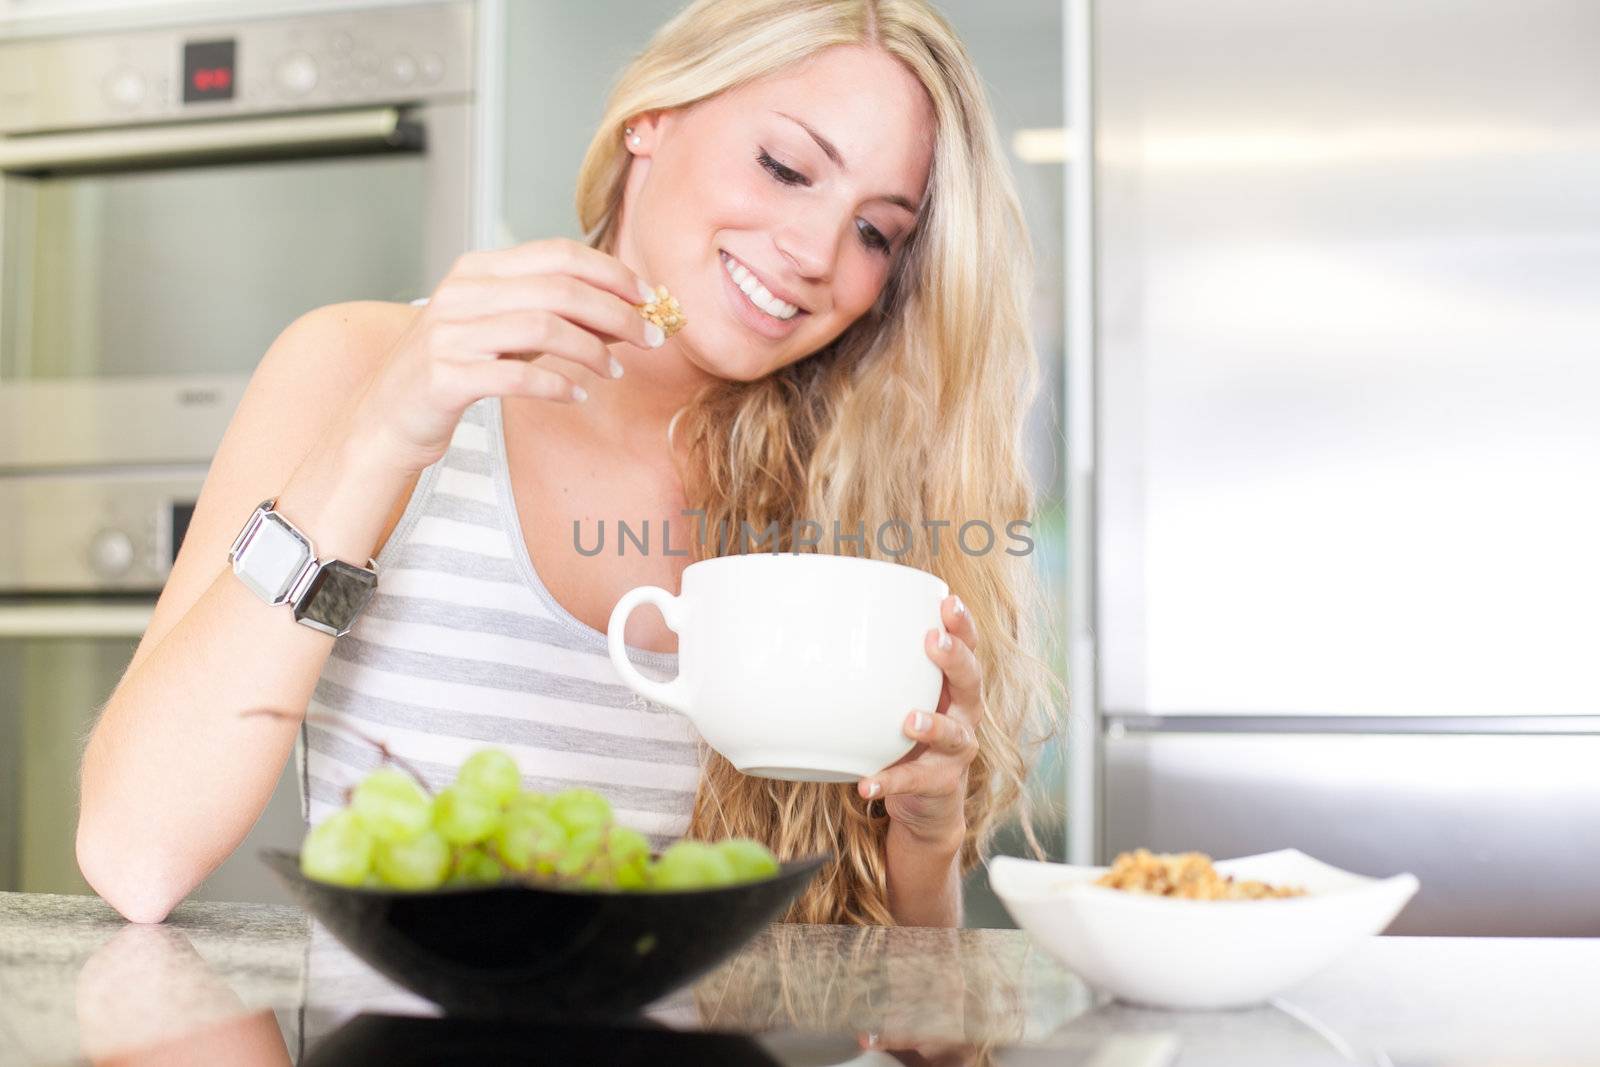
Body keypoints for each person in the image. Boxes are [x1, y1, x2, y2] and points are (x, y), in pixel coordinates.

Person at [76, 0, 1060, 927]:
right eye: (785, 166)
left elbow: (914, 1030)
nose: (812, 250)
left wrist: (923, 838)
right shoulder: (360, 366)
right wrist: (385, 429)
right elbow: (135, 854)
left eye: (874, 230)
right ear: (653, 119)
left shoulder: (851, 488)